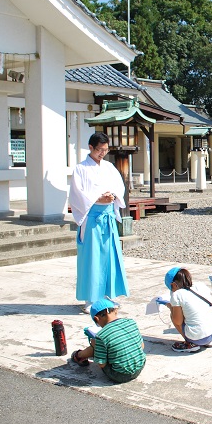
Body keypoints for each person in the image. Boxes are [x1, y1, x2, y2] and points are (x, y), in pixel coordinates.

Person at [68, 132, 128, 313]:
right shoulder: (81, 169)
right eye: (100, 150)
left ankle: (109, 295)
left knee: (110, 257)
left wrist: (113, 196)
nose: (103, 153)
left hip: (108, 217)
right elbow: (77, 194)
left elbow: (120, 186)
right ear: (91, 148)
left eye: (105, 150)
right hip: (92, 217)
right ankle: (91, 298)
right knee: (92, 258)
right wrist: (97, 198)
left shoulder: (109, 167)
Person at [70, 298, 146, 383]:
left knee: (97, 346)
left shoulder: (101, 335)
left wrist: (95, 346)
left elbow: (101, 364)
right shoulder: (131, 322)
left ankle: (79, 355)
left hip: (119, 375)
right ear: (115, 311)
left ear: (96, 319)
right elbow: (142, 346)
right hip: (140, 367)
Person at [165, 267, 212, 352]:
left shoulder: (177, 294)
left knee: (174, 315)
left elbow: (178, 321)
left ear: (173, 285)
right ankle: (209, 342)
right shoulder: (200, 285)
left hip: (200, 337)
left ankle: (190, 344)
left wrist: (171, 307)